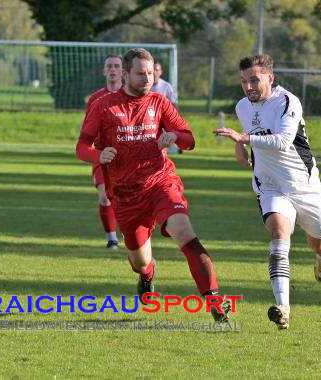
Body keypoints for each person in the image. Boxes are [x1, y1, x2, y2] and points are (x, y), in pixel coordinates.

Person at [77, 48, 231, 322]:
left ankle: (215, 301)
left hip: (160, 184)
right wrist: (98, 155)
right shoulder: (104, 105)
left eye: (150, 73)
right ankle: (147, 275)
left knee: (185, 231)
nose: (147, 78)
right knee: (140, 262)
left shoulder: (159, 103)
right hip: (125, 196)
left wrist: (174, 135)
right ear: (125, 74)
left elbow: (190, 140)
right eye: (140, 73)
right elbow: (81, 146)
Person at [214, 54, 321, 330]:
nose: (248, 87)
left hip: (304, 187)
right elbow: (249, 141)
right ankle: (283, 308)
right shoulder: (243, 106)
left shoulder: (287, 101)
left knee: (320, 241)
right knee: (279, 235)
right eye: (244, 81)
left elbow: (282, 141)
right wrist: (241, 147)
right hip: (269, 185)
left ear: (271, 78)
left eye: (254, 80)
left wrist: (243, 138)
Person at [85, 55, 123, 249]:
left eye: (117, 66)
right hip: (101, 154)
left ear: (123, 71)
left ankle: (134, 235)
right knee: (104, 196)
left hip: (127, 155)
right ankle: (112, 239)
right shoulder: (95, 98)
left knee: (126, 198)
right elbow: (87, 130)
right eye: (109, 66)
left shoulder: (131, 97)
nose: (113, 70)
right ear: (104, 71)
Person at [151, 61, 181, 154]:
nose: (155, 72)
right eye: (153, 70)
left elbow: (174, 105)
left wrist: (174, 123)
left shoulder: (166, 86)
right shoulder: (144, 86)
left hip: (162, 123)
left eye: (157, 70)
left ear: (160, 72)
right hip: (147, 122)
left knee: (161, 150)